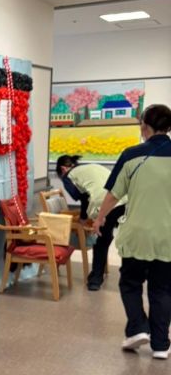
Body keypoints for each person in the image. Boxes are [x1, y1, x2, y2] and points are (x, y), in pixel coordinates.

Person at [94, 103, 171, 359]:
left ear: (144, 126)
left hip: (137, 234)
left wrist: (99, 219)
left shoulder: (131, 155)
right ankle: (160, 345)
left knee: (130, 282)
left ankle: (137, 328)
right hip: (168, 237)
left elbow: (113, 195)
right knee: (163, 289)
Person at [55, 154, 126, 290]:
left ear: (63, 169)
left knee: (101, 240)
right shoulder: (92, 166)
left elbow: (83, 198)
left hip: (104, 203)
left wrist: (82, 220)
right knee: (125, 238)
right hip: (124, 199)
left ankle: (95, 279)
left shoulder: (68, 175)